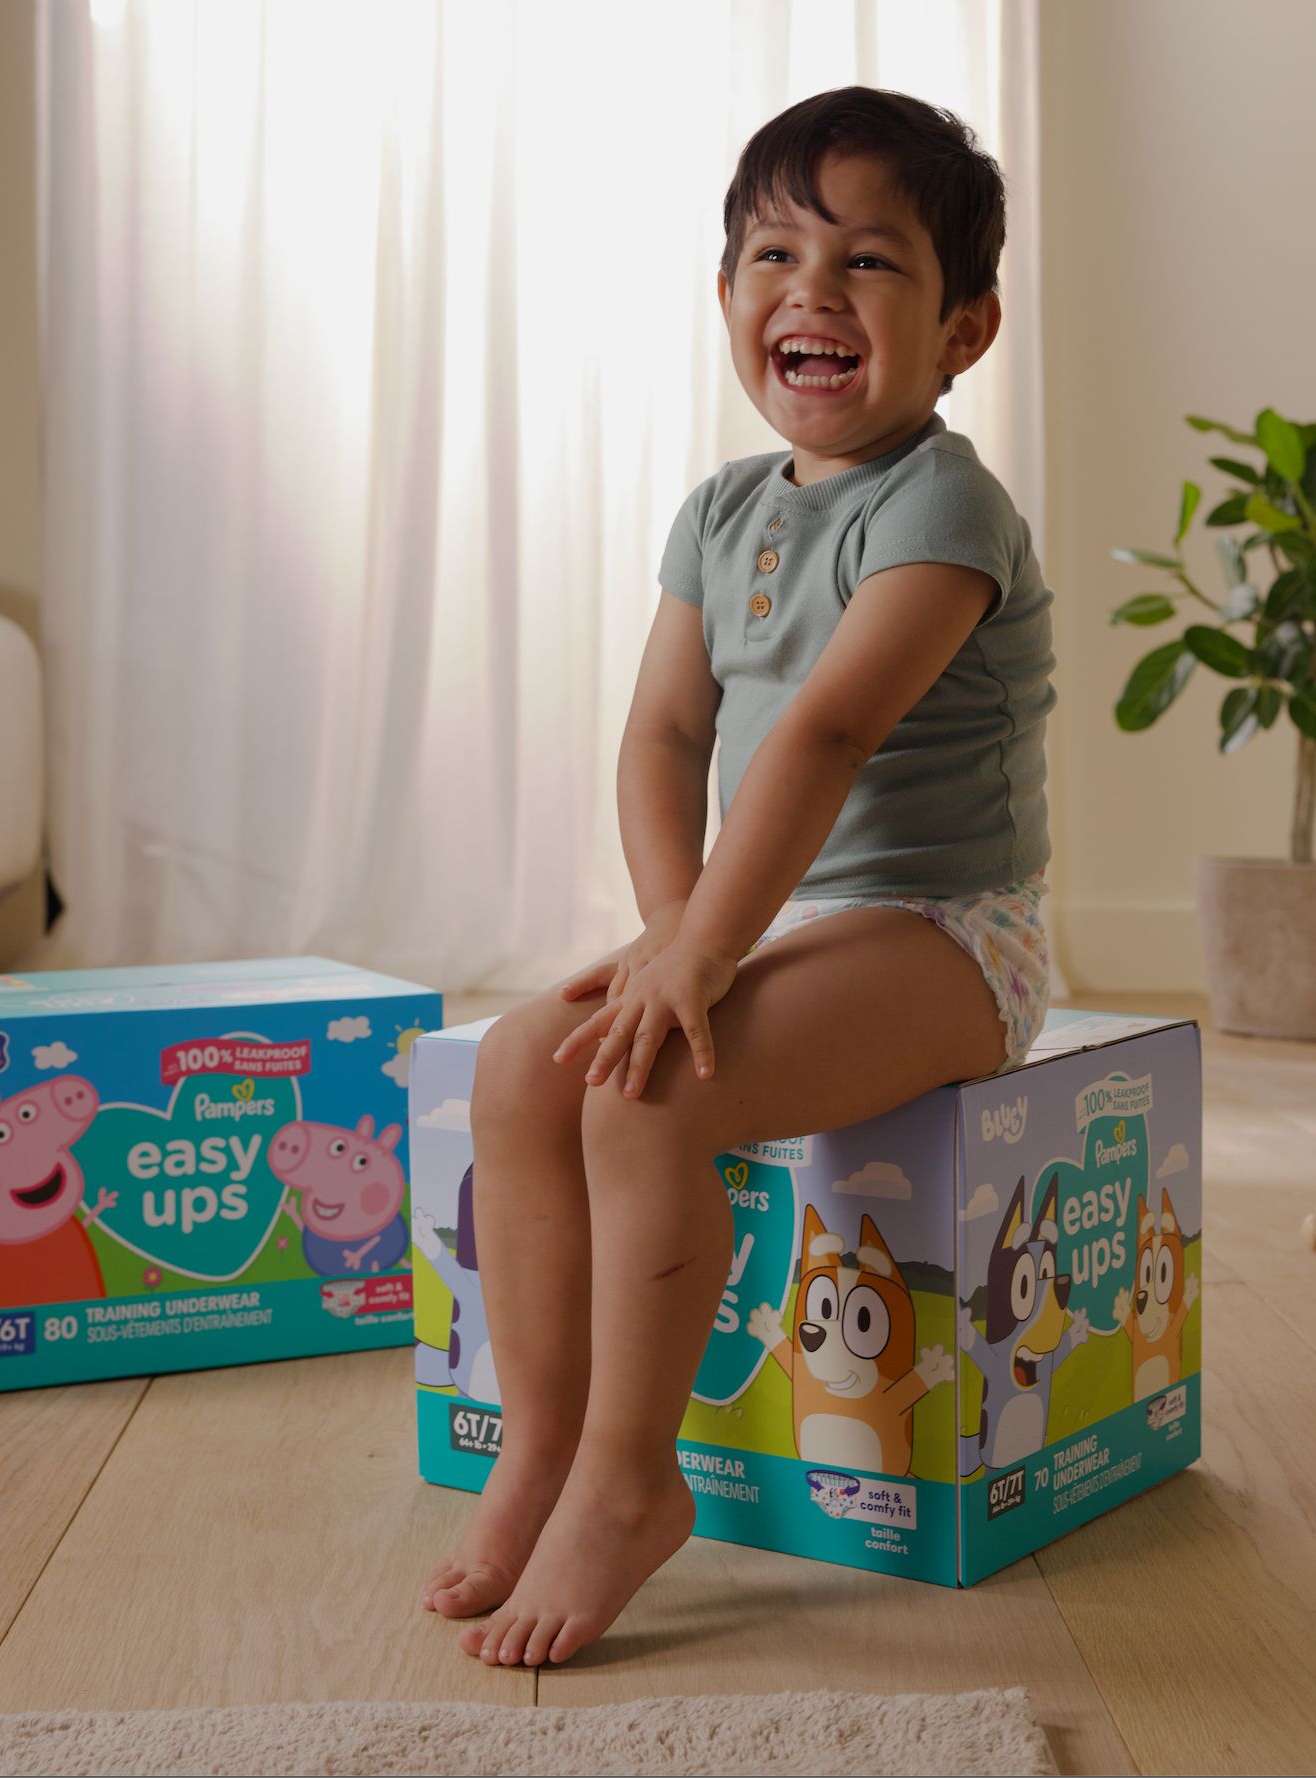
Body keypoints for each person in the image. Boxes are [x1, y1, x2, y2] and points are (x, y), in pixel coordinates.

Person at [421, 85, 1057, 1668]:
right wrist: (667, 930)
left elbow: (827, 730)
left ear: (962, 327)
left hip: (944, 930)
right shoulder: (718, 511)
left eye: (867, 262)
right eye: (772, 253)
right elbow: (660, 731)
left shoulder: (945, 507)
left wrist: (708, 943)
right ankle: (541, 1442)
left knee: (643, 1094)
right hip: (765, 924)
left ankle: (635, 1483)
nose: (811, 290)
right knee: (520, 1067)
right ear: (727, 301)